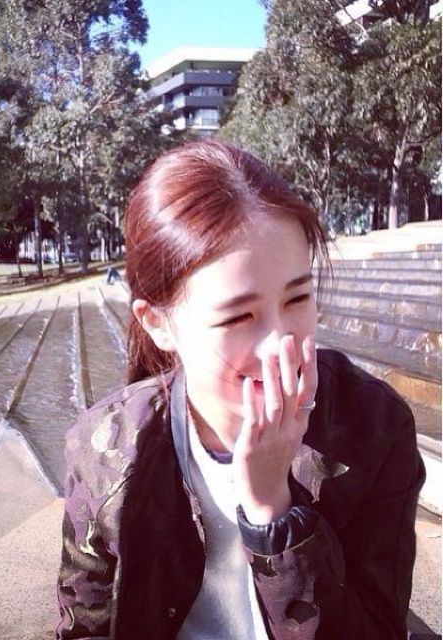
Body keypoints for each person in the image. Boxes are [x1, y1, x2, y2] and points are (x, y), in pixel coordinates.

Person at [55, 140, 425, 639]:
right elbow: (84, 625)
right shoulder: (107, 450)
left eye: (297, 298)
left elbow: (378, 628)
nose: (280, 343)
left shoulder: (372, 427)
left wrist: (274, 513)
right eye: (238, 316)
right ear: (158, 323)